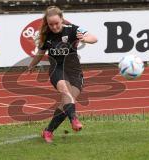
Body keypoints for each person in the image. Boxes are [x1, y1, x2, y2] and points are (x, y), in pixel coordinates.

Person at [28, 6, 98, 143]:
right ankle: (74, 120)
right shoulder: (46, 35)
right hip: (57, 69)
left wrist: (84, 39)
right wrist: (32, 65)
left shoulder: (73, 29)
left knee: (66, 104)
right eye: (50, 24)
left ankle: (48, 131)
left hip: (74, 71)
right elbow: (40, 53)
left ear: (62, 20)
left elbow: (94, 38)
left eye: (56, 23)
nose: (54, 27)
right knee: (65, 92)